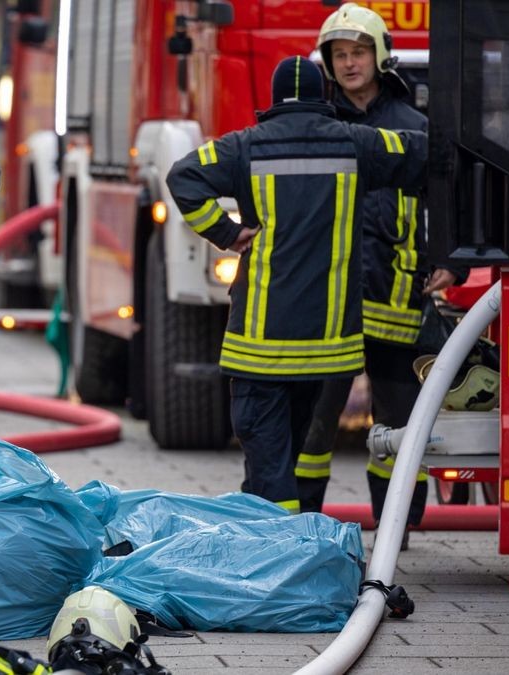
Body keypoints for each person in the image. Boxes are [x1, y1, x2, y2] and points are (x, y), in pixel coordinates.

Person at [166, 56, 428, 514]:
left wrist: (226, 234)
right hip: (328, 348)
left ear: (273, 99)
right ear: (322, 94)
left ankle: (281, 548)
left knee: (269, 461)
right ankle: (298, 538)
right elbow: (420, 153)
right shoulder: (356, 143)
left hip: (259, 344)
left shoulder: (244, 146)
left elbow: (182, 176)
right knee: (297, 443)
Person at [294, 5, 460, 546]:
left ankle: (395, 532)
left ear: (380, 56)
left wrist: (450, 257)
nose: (348, 64)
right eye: (338, 55)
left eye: (358, 53)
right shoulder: (319, 125)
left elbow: (450, 202)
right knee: (317, 425)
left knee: (399, 429)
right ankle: (305, 527)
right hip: (333, 303)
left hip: (399, 295)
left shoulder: (415, 127)